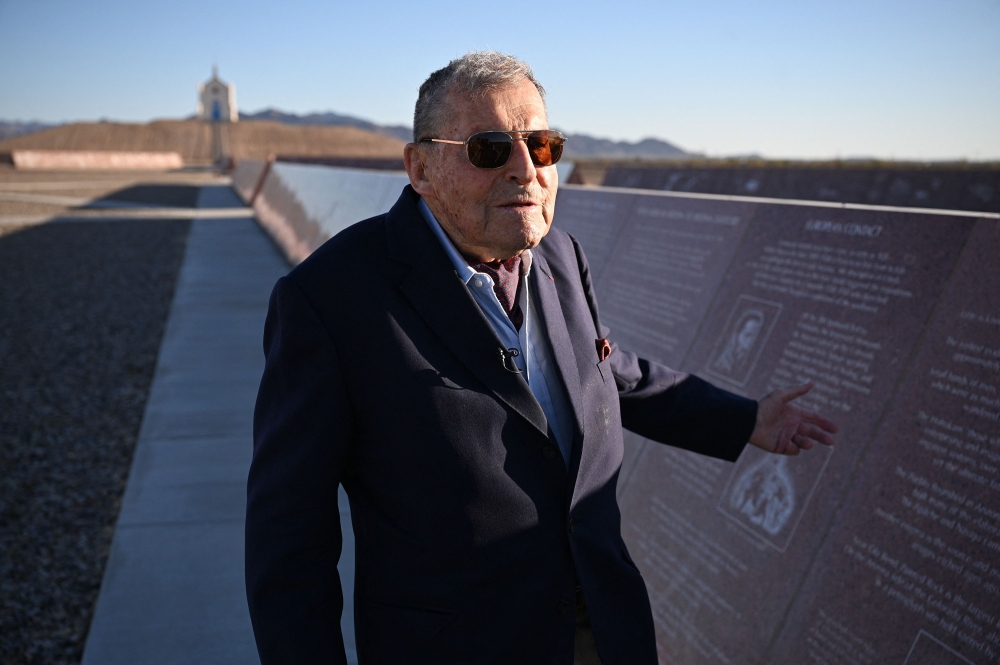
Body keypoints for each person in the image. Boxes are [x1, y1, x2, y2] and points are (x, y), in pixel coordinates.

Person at [246, 51, 836, 665]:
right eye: (490, 150)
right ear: (421, 168)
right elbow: (288, 537)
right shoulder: (330, 299)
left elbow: (604, 371)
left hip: (605, 630)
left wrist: (744, 419)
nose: (526, 170)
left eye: (542, 146)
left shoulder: (560, 255)